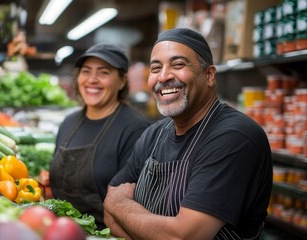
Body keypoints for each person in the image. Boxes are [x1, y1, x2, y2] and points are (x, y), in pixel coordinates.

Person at [103, 28, 273, 240]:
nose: (163, 77)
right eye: (156, 68)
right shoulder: (153, 135)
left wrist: (119, 203)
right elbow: (108, 213)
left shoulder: (235, 137)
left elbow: (184, 237)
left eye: (178, 64)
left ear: (209, 75)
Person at [49, 43, 150, 229]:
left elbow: (134, 204)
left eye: (103, 72)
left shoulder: (135, 129)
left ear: (122, 81)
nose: (92, 79)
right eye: (86, 71)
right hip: (60, 230)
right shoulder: (68, 123)